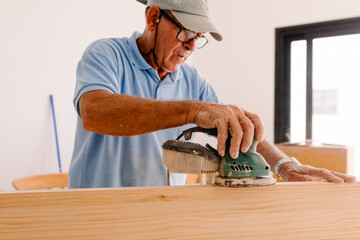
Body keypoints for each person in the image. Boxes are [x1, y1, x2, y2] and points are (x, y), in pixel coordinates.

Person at [68, 0, 356, 188]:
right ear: (154, 17)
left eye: (199, 37)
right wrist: (191, 111)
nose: (191, 46)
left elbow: (235, 129)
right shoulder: (106, 54)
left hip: (160, 213)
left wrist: (285, 165)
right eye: (185, 33)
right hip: (94, 210)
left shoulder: (193, 80)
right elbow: (95, 113)